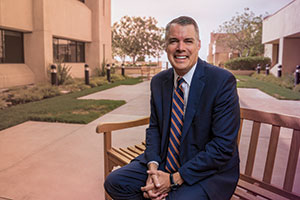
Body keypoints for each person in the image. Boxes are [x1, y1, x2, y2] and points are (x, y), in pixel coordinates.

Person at [104, 16, 240, 200]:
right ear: (166, 46)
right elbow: (155, 128)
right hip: (164, 161)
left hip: (207, 171)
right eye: (174, 41)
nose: (180, 48)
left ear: (198, 45)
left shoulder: (221, 81)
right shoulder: (159, 82)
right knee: (115, 182)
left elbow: (222, 147)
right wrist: (153, 170)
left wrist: (174, 179)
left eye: (188, 41)